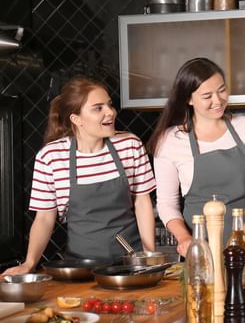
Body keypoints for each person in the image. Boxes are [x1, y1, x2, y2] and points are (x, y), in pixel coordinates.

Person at [3, 76, 156, 275]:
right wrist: (29, 263)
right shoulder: (51, 157)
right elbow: (44, 218)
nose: (111, 112)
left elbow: (142, 203)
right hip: (80, 269)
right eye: (98, 108)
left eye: (109, 105)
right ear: (76, 119)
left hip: (131, 263)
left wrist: (149, 255)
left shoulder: (130, 145)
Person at [148, 57, 245, 257]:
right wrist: (185, 239)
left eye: (222, 90)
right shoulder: (170, 140)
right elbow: (166, 203)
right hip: (200, 252)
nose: (218, 101)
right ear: (188, 99)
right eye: (207, 96)